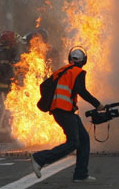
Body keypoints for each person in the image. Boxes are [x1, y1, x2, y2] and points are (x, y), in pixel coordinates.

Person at [31, 46, 104, 183]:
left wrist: (50, 102)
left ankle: (80, 175)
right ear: (84, 60)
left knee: (83, 139)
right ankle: (39, 158)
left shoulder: (61, 71)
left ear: (70, 59)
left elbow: (44, 86)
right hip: (64, 111)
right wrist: (97, 104)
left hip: (62, 111)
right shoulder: (78, 72)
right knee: (73, 142)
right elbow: (82, 91)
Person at [0, 31, 19, 142]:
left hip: (6, 85)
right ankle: (0, 134)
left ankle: (6, 132)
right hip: (3, 86)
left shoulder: (6, 52)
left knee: (8, 109)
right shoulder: (4, 54)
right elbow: (7, 71)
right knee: (4, 109)